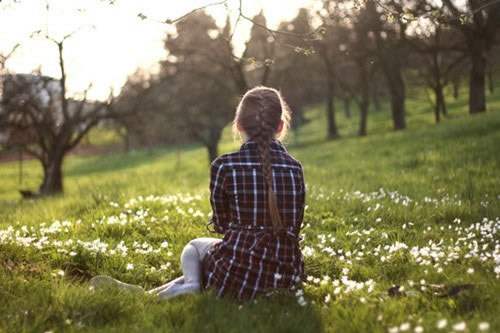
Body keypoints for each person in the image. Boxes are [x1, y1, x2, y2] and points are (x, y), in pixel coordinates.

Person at [90, 86, 306, 301]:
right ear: (280, 126)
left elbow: (222, 225)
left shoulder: (225, 166)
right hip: (287, 279)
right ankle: (146, 296)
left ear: (239, 125)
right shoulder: (295, 169)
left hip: (235, 279)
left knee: (195, 247)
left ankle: (189, 285)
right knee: (219, 258)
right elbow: (293, 228)